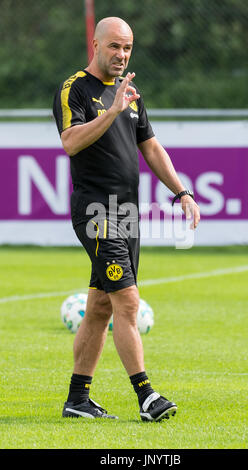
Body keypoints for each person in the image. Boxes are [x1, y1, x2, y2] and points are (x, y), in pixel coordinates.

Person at [53, 16, 200, 422]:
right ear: (95, 45)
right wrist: (112, 109)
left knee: (100, 306)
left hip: (128, 215)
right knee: (128, 302)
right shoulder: (74, 89)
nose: (121, 54)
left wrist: (182, 192)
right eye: (114, 46)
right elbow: (70, 142)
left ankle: (77, 400)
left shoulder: (130, 93)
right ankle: (147, 397)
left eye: (128, 48)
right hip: (96, 213)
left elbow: (151, 148)